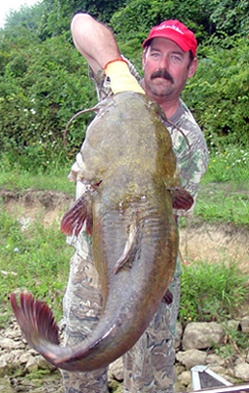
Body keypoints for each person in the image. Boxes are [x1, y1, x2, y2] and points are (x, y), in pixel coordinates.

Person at [61, 13, 209, 393]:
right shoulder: (118, 87)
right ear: (143, 58)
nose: (162, 66)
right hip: (89, 269)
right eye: (156, 53)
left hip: (150, 272)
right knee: (79, 372)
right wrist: (116, 71)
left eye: (176, 58)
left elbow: (167, 208)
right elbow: (81, 24)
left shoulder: (191, 141)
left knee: (150, 384)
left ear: (192, 68)